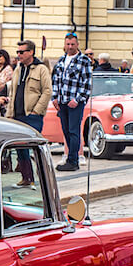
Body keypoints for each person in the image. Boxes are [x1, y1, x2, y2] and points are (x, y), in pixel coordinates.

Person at [4, 40, 52, 185]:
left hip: (32, 116)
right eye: (17, 52)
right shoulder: (18, 69)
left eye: (21, 52)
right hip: (17, 115)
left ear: (31, 52)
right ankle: (27, 177)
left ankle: (44, 178)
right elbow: (12, 92)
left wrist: (37, 111)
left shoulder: (41, 69)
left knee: (34, 147)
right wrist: (10, 113)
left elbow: (47, 91)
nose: (18, 55)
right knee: (20, 148)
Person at [51, 33, 93, 171]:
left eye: (72, 44)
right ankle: (70, 157)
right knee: (66, 131)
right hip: (62, 102)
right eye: (68, 44)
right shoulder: (61, 60)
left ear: (77, 45)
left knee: (74, 131)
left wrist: (78, 99)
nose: (70, 47)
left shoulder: (84, 60)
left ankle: (73, 160)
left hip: (75, 102)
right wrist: (55, 98)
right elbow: (56, 80)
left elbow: (87, 83)